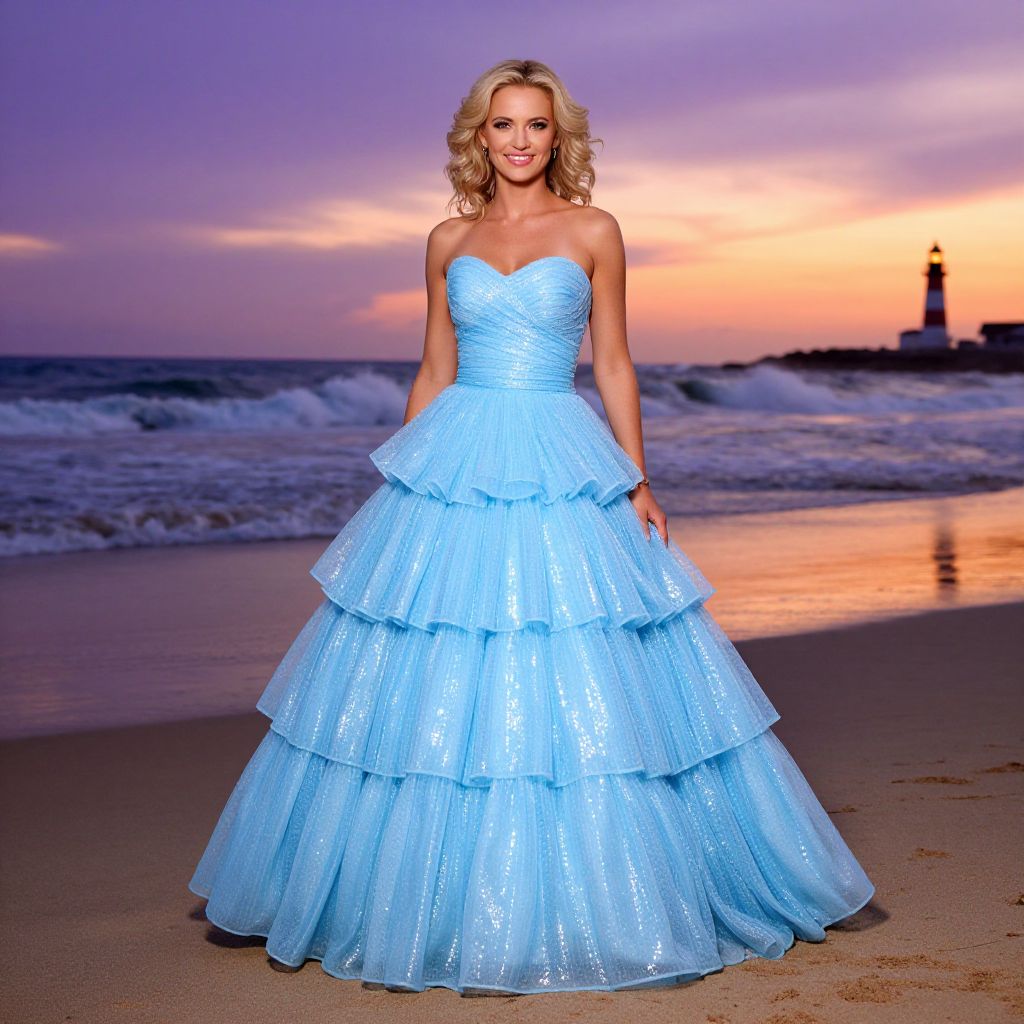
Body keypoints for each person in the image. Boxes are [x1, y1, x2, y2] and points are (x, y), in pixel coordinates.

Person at [188, 57, 875, 996]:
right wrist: (409, 476)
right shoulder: (445, 238)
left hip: (558, 446)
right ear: (480, 135)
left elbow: (618, 364)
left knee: (577, 663)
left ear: (560, 137)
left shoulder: (595, 229)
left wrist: (636, 477)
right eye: (503, 124)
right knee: (431, 677)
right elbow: (433, 366)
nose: (519, 140)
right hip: (459, 452)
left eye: (536, 126)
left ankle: (610, 906)